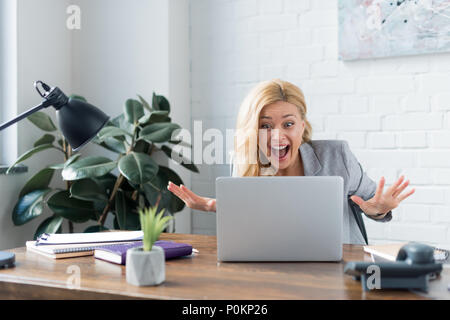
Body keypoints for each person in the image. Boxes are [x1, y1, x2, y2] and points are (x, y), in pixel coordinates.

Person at [167, 79, 414, 244]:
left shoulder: (337, 156)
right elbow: (253, 223)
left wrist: (378, 208)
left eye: (288, 124)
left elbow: (374, 202)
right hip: (275, 273)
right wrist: (214, 205)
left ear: (302, 127)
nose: (277, 136)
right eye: (265, 125)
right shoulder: (247, 163)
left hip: (343, 273)